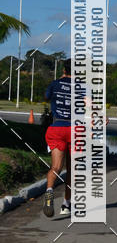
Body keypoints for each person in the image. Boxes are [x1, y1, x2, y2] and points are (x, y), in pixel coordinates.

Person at [43, 59, 73, 218]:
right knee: (72, 169)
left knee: (56, 167)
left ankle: (49, 191)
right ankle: (66, 204)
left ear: (63, 69)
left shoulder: (54, 84)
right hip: (75, 129)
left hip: (56, 128)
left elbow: (46, 98)